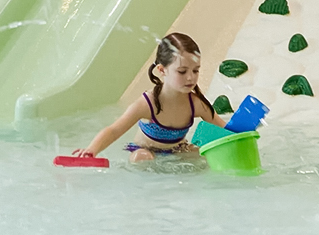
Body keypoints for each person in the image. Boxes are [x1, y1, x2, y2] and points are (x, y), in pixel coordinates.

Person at [71, 32, 227, 163]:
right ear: (162, 70)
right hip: (145, 151)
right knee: (142, 158)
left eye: (196, 70)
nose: (190, 78)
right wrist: (91, 150)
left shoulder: (196, 104)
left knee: (206, 156)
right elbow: (113, 130)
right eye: (182, 71)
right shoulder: (148, 104)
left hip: (178, 149)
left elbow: (224, 128)